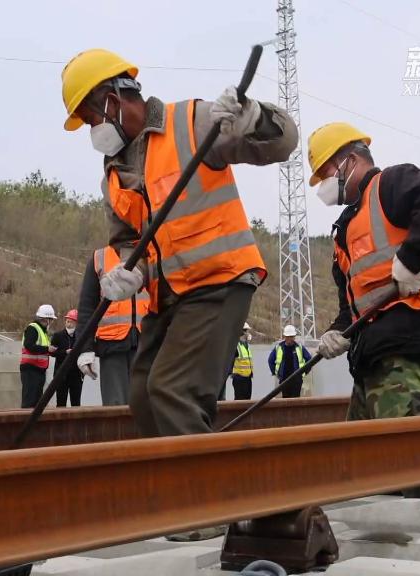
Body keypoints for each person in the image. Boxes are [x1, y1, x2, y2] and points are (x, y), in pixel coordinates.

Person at [60, 48, 297, 437]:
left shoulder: (192, 123)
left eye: (90, 119)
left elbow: (283, 141)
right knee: (142, 396)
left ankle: (206, 477)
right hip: (169, 298)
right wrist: (133, 273)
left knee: (173, 392)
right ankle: (172, 472)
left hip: (219, 280)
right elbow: (128, 242)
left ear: (112, 101)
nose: (92, 131)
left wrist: (252, 116)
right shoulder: (114, 175)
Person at [307, 121, 420, 504]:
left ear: (350, 161)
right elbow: (352, 303)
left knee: (418, 460)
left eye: (326, 172)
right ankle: (393, 526)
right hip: (371, 354)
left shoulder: (390, 186)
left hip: (405, 342)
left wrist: (411, 258)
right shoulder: (345, 230)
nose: (324, 185)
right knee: (363, 466)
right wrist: (337, 332)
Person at [75, 245, 149, 406]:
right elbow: (87, 307)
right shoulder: (99, 258)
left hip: (148, 345)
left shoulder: (151, 252)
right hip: (111, 347)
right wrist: (85, 348)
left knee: (147, 406)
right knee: (116, 406)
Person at [20, 304, 56, 408]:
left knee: (37, 402)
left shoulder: (42, 331)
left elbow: (42, 349)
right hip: (31, 370)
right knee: (29, 402)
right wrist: (47, 349)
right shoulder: (33, 328)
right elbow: (29, 345)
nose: (51, 322)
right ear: (46, 319)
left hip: (39, 370)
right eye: (51, 320)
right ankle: (27, 418)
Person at [266, 324, 311, 398]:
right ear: (284, 337)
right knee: (285, 400)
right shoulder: (279, 347)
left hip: (297, 380)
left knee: (295, 400)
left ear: (294, 337)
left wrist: (304, 372)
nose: (290, 338)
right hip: (284, 380)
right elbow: (270, 360)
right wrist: (276, 373)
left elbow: (309, 359)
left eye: (291, 336)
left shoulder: (299, 347)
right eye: (288, 337)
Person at [51, 309, 83, 407]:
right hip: (61, 375)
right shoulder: (58, 336)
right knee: (61, 403)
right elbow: (52, 353)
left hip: (76, 375)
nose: (68, 324)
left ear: (76, 323)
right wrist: (65, 352)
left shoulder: (80, 337)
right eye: (67, 321)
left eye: (71, 322)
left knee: (76, 403)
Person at [231, 323, 255, 400]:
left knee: (247, 401)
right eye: (247, 331)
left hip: (247, 378)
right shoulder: (235, 346)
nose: (248, 333)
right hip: (239, 378)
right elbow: (229, 362)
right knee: (239, 401)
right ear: (243, 332)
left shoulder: (246, 345)